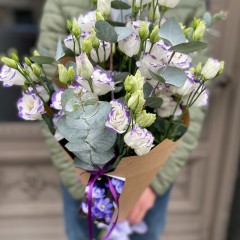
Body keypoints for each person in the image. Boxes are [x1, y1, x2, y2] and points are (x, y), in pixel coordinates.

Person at [37, 0, 206, 239]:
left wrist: (153, 185)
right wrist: (81, 182)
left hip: (149, 186)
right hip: (82, 179)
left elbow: (191, 100)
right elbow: (47, 93)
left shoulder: (189, 4)